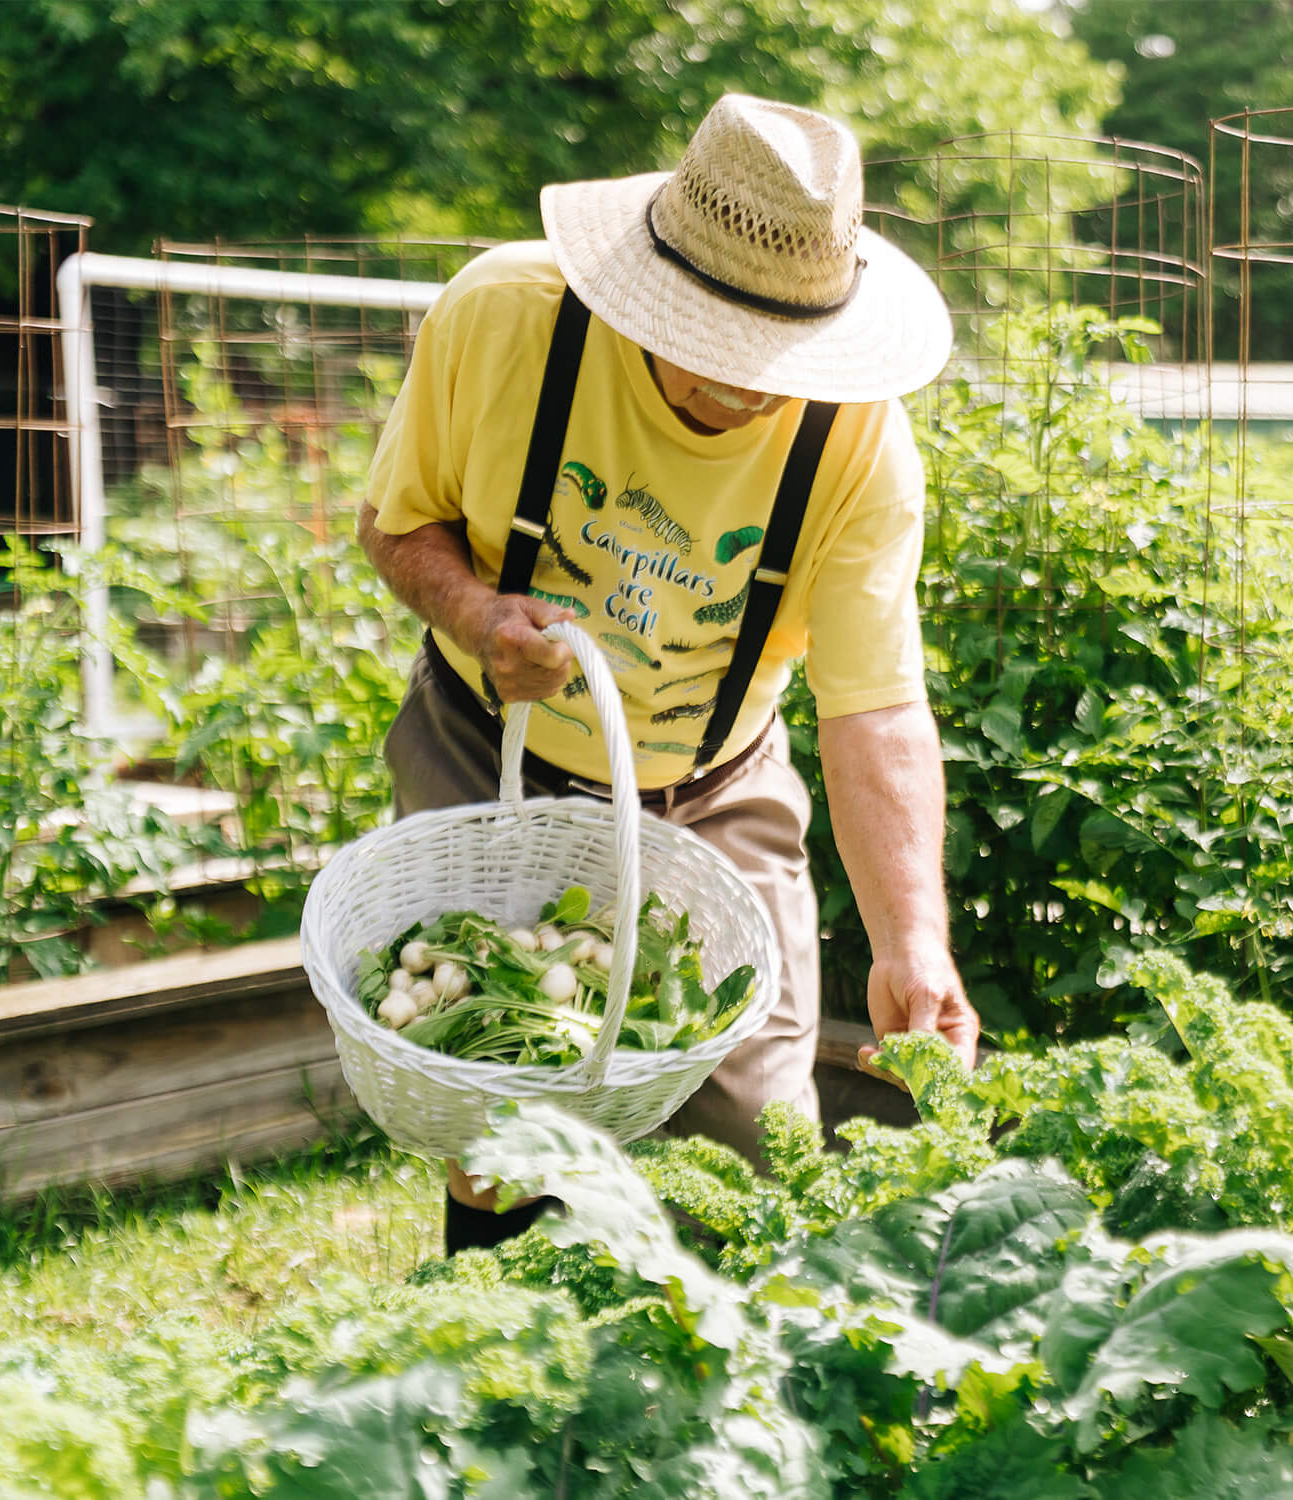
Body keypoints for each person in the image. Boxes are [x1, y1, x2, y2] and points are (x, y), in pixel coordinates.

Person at [355, 94, 980, 1255]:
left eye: (774, 356)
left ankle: (718, 1398)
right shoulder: (503, 320)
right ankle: (500, 1370)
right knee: (493, 1096)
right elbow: (397, 526)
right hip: (484, 746)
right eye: (710, 343)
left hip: (713, 774)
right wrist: (480, 613)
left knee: (752, 1130)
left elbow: (875, 707)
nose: (744, 387)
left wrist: (912, 944)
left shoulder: (858, 445)